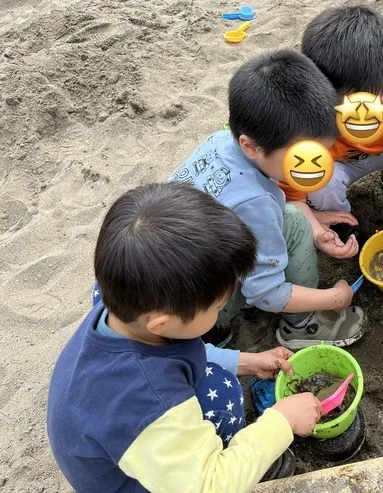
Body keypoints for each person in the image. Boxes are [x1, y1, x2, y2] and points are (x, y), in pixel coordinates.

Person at [47, 182, 323, 493]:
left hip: (117, 437)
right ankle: (244, 458)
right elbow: (209, 485)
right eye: (218, 307)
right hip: (140, 481)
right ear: (161, 323)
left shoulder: (123, 302)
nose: (220, 312)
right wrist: (281, 422)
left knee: (219, 379)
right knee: (222, 394)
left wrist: (246, 362)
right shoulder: (152, 403)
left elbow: (181, 350)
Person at [169, 49, 365, 349]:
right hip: (194, 312)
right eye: (302, 158)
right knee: (296, 222)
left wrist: (318, 221)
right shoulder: (253, 201)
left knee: (293, 217)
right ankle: (303, 325)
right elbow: (267, 293)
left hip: (173, 288)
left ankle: (213, 332)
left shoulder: (222, 142)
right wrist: (334, 297)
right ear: (251, 146)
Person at [279, 5, 383, 303]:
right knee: (321, 184)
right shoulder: (306, 129)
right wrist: (317, 227)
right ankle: (344, 224)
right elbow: (292, 197)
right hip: (337, 165)